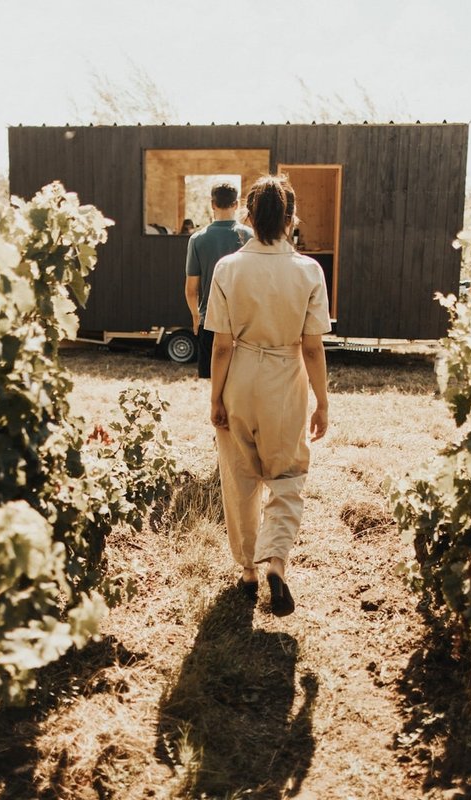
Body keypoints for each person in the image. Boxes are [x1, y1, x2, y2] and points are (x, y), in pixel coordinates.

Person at [203, 174, 331, 616]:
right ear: (291, 219)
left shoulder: (228, 268)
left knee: (239, 476)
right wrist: (323, 400)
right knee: (287, 474)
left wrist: (216, 397)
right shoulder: (309, 271)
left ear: (248, 216)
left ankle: (247, 572)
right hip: (285, 377)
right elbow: (313, 346)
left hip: (239, 376)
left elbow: (220, 345)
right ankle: (276, 560)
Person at [185, 183, 252, 379]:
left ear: (212, 204)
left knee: (214, 384)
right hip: (243, 322)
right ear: (237, 204)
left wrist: (196, 317)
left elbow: (191, 290)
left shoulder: (197, 239)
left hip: (211, 321)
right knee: (240, 382)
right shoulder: (250, 236)